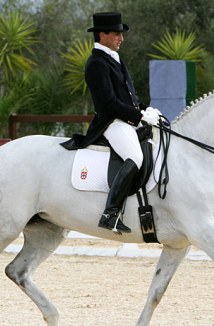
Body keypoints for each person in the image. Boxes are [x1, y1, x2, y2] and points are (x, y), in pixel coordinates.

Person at [61, 11, 160, 234]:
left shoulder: (114, 59)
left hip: (126, 119)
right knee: (135, 156)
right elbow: (108, 103)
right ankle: (111, 214)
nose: (121, 38)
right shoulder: (96, 63)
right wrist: (138, 117)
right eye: (117, 34)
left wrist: (145, 109)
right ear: (102, 34)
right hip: (111, 123)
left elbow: (128, 97)